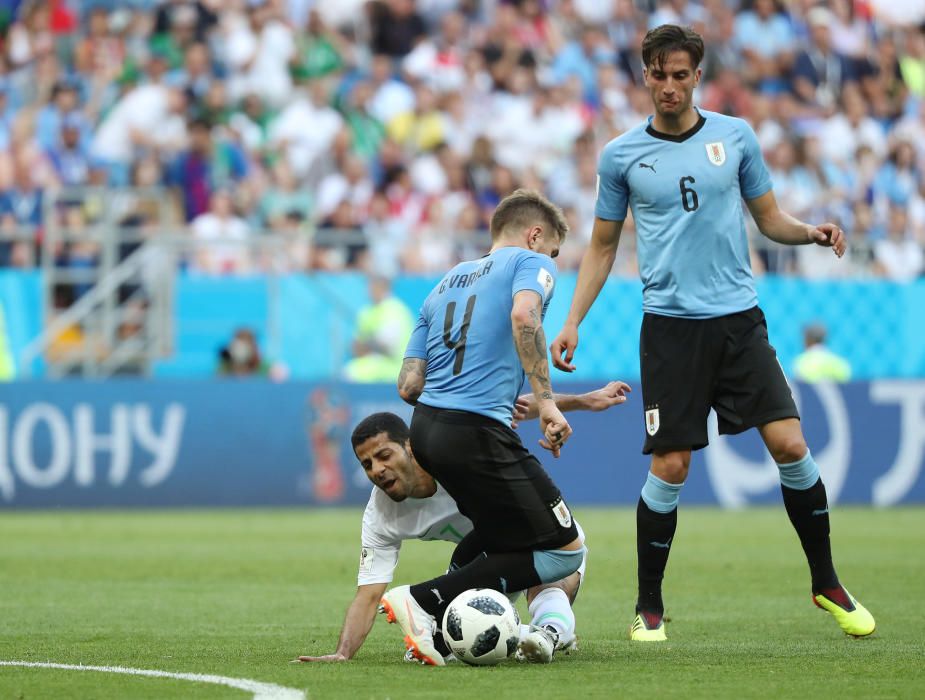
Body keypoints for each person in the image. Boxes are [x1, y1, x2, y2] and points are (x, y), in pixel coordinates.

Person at [549, 25, 875, 643]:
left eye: (681, 74)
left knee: (790, 444)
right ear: (644, 75)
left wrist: (810, 232)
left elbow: (770, 218)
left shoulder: (736, 136)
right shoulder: (621, 156)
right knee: (672, 465)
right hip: (671, 328)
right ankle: (649, 604)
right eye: (658, 74)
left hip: (739, 321)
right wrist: (570, 322)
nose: (669, 85)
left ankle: (826, 580)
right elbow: (601, 245)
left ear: (698, 76)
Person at [378, 189, 584, 666]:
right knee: (564, 551)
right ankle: (424, 601)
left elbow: (408, 385)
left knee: (497, 534)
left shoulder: (443, 284)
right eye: (552, 249)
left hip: (426, 430)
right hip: (477, 432)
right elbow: (523, 315)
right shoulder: (530, 265)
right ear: (535, 235)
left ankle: (446, 630)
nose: (552, 260)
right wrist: (548, 403)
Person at [296, 381, 630, 664]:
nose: (377, 469)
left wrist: (585, 401)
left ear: (410, 447)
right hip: (481, 557)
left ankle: (547, 635)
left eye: (384, 455)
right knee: (445, 637)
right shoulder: (380, 516)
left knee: (553, 579)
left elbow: (512, 407)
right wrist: (342, 653)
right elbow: (368, 595)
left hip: (539, 531)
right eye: (367, 464)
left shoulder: (448, 454)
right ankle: (529, 634)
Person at [343, 276, 415, 383]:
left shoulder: (395, 310)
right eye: (370, 286)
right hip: (375, 362)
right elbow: (356, 348)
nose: (371, 290)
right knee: (349, 371)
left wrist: (367, 345)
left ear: (385, 288)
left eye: (375, 286)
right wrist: (369, 345)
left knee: (353, 373)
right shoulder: (365, 312)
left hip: (398, 366)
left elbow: (387, 346)